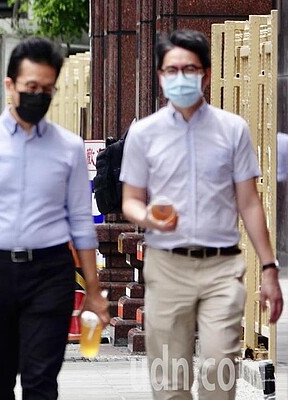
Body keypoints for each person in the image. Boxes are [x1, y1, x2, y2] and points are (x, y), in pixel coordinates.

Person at [0, 37, 110, 400]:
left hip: (51, 273)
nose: (38, 96)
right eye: (31, 87)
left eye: (47, 89)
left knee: (41, 379)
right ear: (10, 85)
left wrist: (93, 292)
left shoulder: (69, 148)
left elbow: (81, 223)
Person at [119, 29, 284, 399]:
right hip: (166, 265)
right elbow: (130, 199)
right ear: (160, 77)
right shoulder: (143, 134)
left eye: (189, 69)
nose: (180, 77)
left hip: (221, 269)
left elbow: (250, 202)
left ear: (206, 74)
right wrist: (148, 217)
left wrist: (270, 269)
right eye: (171, 70)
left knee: (217, 370)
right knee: (169, 382)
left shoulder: (233, 130)